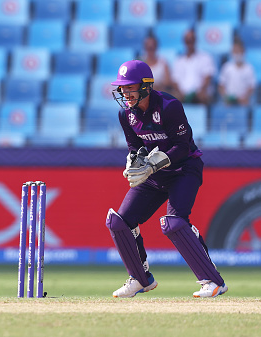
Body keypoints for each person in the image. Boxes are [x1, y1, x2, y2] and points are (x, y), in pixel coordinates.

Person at [107, 60, 228, 298]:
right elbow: (135, 147)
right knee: (119, 221)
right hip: (155, 175)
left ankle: (213, 282)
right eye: (122, 88)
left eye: (130, 87)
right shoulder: (125, 114)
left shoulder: (169, 106)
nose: (125, 93)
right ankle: (140, 279)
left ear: (146, 86)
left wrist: (152, 164)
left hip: (184, 169)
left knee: (174, 222)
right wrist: (134, 161)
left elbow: (183, 147)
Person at [170, 29, 216, 105]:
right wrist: (181, 93)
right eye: (187, 40)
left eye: (192, 40)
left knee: (203, 96)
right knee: (170, 97)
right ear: (184, 42)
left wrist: (199, 92)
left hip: (199, 93)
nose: (189, 42)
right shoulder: (179, 61)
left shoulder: (205, 57)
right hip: (182, 94)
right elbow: (175, 81)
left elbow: (208, 78)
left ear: (195, 40)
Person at [218, 38, 257, 106]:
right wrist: (226, 97)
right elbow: (221, 85)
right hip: (229, 101)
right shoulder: (226, 67)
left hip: (243, 102)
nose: (237, 53)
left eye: (239, 51)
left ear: (243, 51)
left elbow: (252, 87)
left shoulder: (249, 68)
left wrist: (244, 97)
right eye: (235, 51)